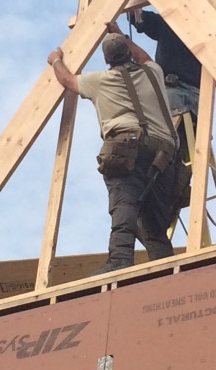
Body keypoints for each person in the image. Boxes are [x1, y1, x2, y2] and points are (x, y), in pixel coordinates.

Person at [48, 23, 179, 274]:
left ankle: (120, 258)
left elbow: (67, 80)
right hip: (164, 157)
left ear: (107, 60)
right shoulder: (153, 72)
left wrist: (55, 60)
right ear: (129, 52)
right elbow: (144, 57)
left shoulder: (100, 80)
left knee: (124, 204)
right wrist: (119, 33)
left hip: (128, 149)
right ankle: (165, 269)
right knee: (154, 223)